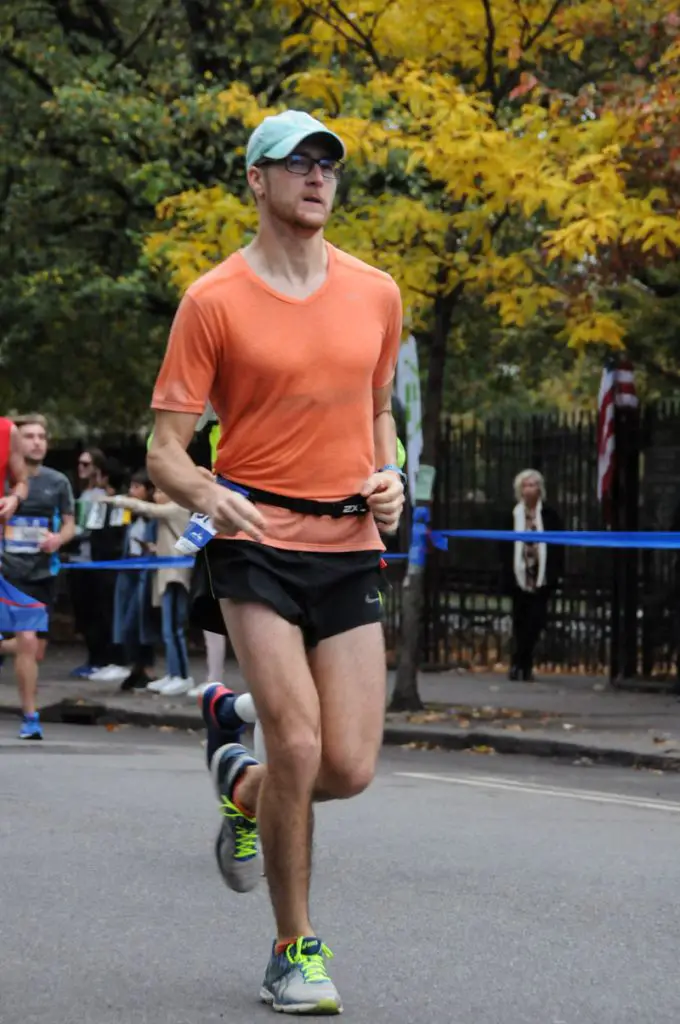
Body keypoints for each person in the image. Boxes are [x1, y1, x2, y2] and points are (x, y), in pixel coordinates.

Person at [147, 109, 405, 1015]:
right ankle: (293, 951)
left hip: (348, 544)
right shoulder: (212, 301)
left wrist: (393, 473)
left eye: (326, 164)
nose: (315, 176)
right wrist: (208, 496)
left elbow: (380, 413)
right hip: (254, 541)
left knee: (348, 768)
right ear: (255, 181)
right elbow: (166, 450)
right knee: (297, 739)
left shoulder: (376, 291)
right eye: (294, 163)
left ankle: (240, 784)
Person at [1, 414, 75, 738]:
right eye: (30, 436)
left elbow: (70, 523)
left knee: (34, 649)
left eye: (42, 436)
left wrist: (58, 539)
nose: (36, 442)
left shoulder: (57, 481)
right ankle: (31, 718)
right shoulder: (5, 478)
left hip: (44, 572)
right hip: (8, 569)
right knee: (27, 642)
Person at [100, 486, 194, 695]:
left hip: (176, 576)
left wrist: (116, 501)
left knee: (174, 630)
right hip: (166, 574)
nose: (156, 496)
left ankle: (183, 676)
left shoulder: (177, 508)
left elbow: (146, 509)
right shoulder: (168, 514)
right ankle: (173, 673)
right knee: (167, 629)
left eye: (161, 491)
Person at [500, 468, 564, 681]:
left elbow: (558, 546)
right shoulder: (512, 514)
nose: (529, 489)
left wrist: (555, 574)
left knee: (535, 622)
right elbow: (503, 547)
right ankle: (519, 665)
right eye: (526, 485)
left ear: (540, 489)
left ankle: (523, 661)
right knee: (519, 621)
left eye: (533, 485)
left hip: (541, 576)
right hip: (519, 577)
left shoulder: (549, 515)